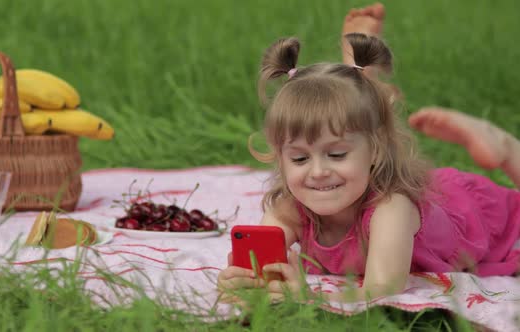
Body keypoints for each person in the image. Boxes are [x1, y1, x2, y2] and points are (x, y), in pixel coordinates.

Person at [217, 3, 520, 304]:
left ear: (376, 152)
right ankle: (361, 73)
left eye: (336, 155)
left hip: (473, 214)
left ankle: (505, 147)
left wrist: (309, 297)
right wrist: (242, 281)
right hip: (383, 157)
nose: (318, 171)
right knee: (360, 117)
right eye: (299, 158)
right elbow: (261, 273)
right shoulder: (290, 210)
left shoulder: (391, 209)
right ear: (281, 157)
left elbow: (382, 288)